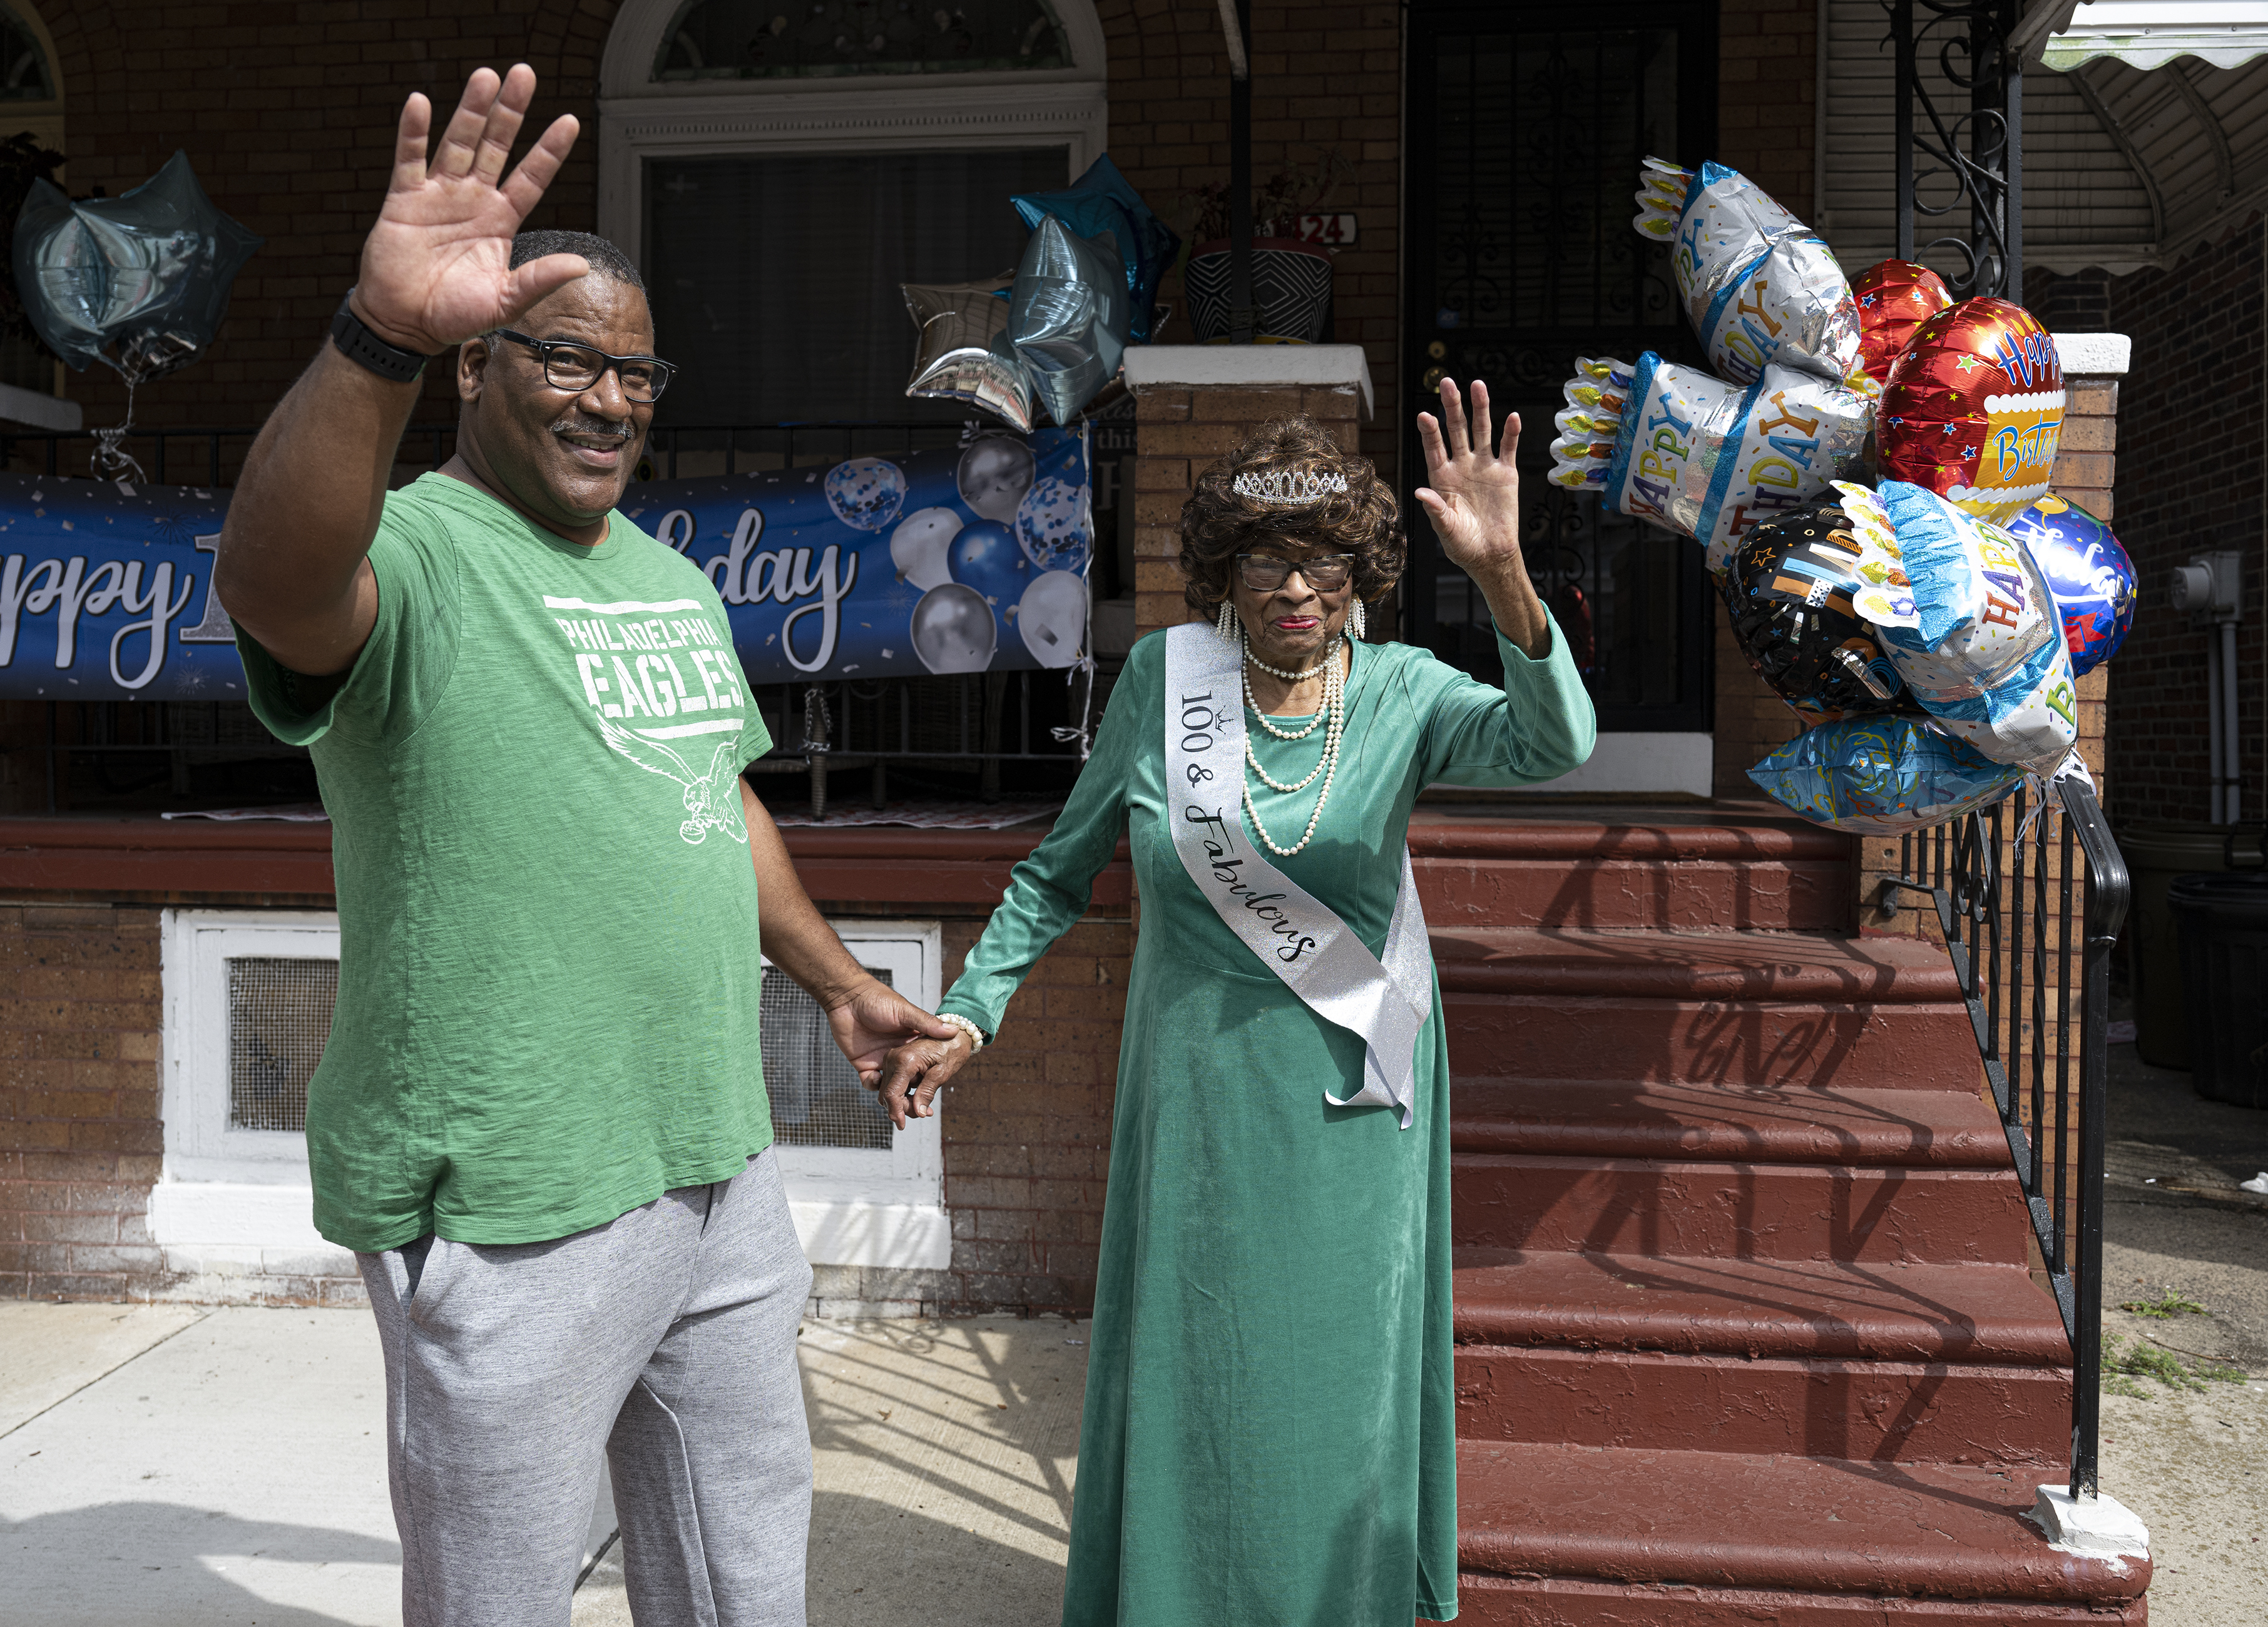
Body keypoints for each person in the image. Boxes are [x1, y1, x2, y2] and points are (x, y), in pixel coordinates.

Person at [214, 66, 955, 1627]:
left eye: (636, 374)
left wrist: (833, 984)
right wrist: (376, 335)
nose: (610, 401)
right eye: (566, 362)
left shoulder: (670, 582)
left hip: (715, 1160)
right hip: (510, 1190)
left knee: (746, 1570)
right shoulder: (416, 549)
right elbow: (276, 585)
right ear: (477, 365)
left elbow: (714, 797)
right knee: (499, 1599)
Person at [877, 391, 1598, 1626]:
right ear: (1223, 570)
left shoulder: (1404, 692)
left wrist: (1504, 576)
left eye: (1322, 556)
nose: (1296, 584)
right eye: (1266, 556)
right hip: (1197, 1101)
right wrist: (975, 1007)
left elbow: (1555, 741)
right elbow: (1058, 869)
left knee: (1327, 1381)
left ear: (1359, 566)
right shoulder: (1167, 680)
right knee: (1206, 1375)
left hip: (1344, 1105)